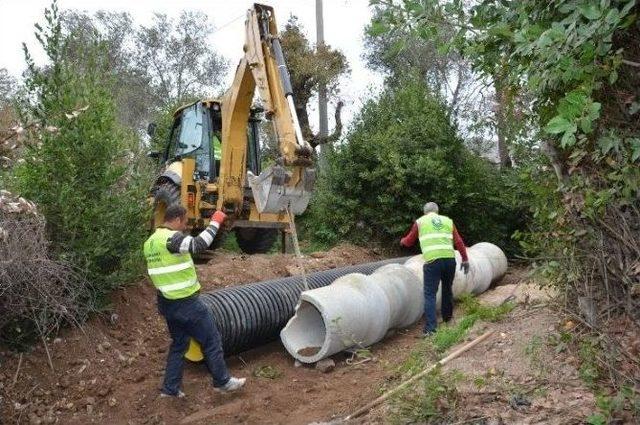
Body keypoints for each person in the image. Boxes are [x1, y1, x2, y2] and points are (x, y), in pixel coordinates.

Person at [143, 204, 246, 398]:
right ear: (176, 219)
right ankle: (222, 382)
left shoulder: (150, 242)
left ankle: (170, 389)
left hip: (167, 303)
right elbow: (199, 245)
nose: (185, 226)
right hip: (187, 304)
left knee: (179, 344)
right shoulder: (171, 239)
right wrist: (216, 221)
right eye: (184, 222)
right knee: (212, 339)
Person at [400, 202, 469, 335]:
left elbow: (409, 242)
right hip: (450, 261)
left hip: (433, 262)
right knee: (447, 290)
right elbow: (459, 242)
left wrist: (402, 241)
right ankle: (448, 319)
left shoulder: (420, 222)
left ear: (425, 212)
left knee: (430, 295)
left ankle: (431, 329)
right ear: (437, 211)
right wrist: (465, 259)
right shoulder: (448, 221)